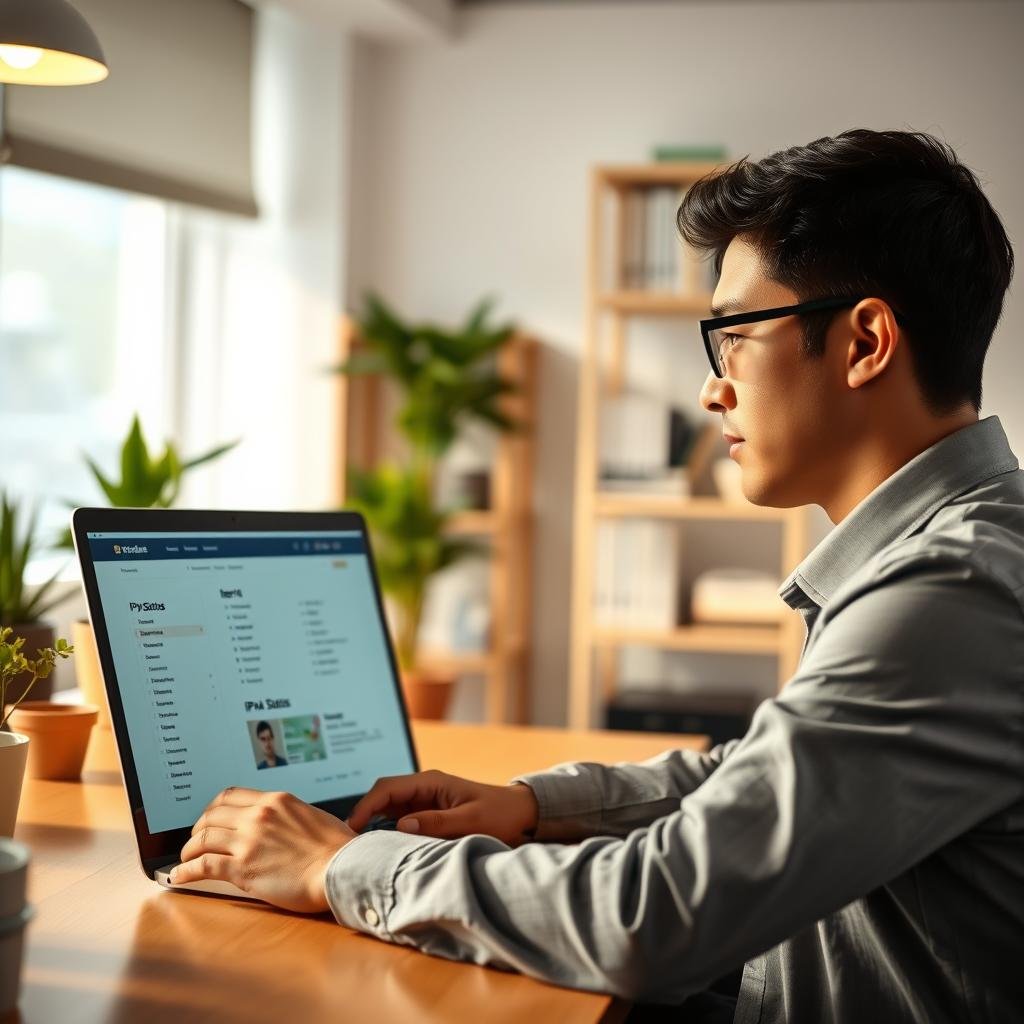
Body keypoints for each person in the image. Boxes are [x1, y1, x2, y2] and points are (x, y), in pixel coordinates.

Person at [170, 129, 1023, 1023]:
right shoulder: (954, 554)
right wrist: (533, 807)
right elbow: (771, 784)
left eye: (730, 336)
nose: (711, 389)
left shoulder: (950, 591)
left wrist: (335, 865)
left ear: (864, 343)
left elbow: (653, 918)